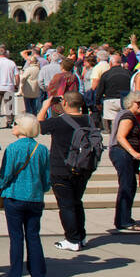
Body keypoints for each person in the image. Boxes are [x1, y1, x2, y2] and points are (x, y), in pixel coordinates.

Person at [36, 91, 101, 252]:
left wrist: (45, 106)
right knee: (77, 202)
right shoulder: (89, 119)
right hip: (84, 167)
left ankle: (72, 239)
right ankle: (81, 236)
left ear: (64, 103)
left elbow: (38, 126)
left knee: (66, 205)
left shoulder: (59, 122)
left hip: (61, 169)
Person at [0, 114, 52, 277]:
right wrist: (42, 188)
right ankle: (38, 274)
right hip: (34, 197)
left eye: (15, 124)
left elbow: (6, 174)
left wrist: (1, 186)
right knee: (33, 235)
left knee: (16, 236)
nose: (13, 126)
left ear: (22, 128)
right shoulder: (42, 150)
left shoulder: (13, 149)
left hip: (14, 195)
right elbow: (46, 177)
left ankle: (15, 273)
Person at [109, 91, 140, 234]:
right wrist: (134, 153)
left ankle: (123, 218)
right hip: (122, 153)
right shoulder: (127, 116)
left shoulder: (128, 115)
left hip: (122, 153)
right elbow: (121, 137)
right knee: (127, 186)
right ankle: (123, 221)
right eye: (139, 103)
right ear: (130, 102)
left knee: (129, 185)